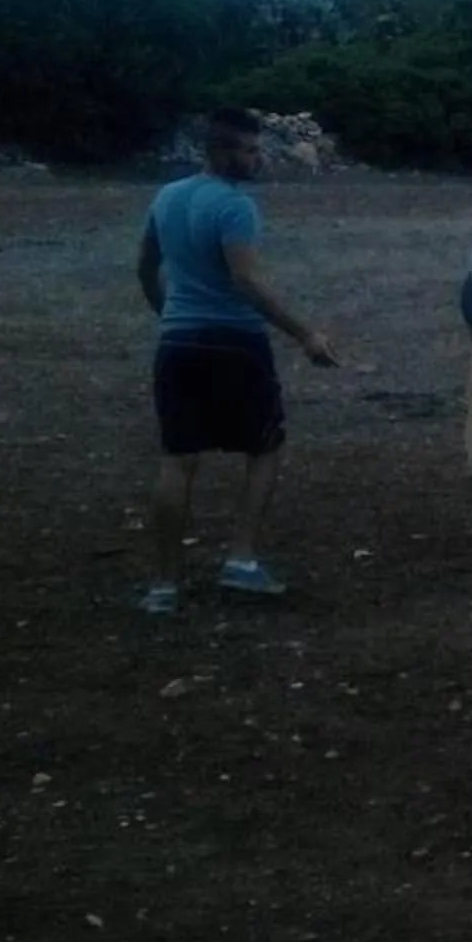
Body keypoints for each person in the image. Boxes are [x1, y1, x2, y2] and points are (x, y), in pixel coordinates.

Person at [136, 108, 338, 613]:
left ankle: (164, 585)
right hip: (235, 343)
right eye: (248, 150)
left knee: (177, 459)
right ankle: (241, 559)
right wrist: (305, 334)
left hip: (178, 343)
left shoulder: (167, 196)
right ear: (221, 152)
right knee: (264, 447)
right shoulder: (234, 207)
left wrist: (170, 314)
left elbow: (144, 267)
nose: (257, 157)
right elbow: (246, 281)